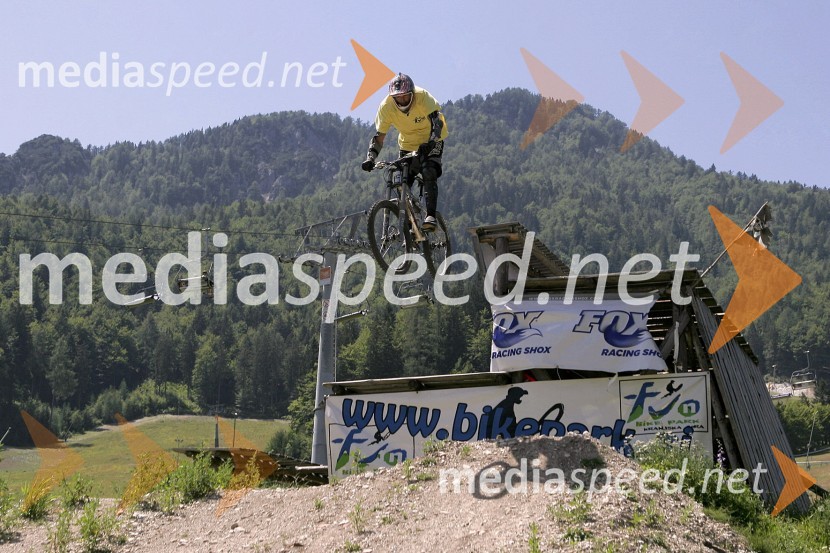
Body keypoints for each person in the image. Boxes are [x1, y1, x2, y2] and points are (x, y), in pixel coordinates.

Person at [361, 73, 448, 231]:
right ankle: (409, 223)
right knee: (401, 182)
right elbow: (379, 138)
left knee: (429, 170)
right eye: (398, 97)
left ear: (412, 93)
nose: (402, 100)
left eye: (405, 97)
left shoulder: (422, 97)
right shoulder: (386, 107)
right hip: (407, 143)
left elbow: (437, 123)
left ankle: (430, 216)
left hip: (432, 139)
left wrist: (431, 142)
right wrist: (370, 158)